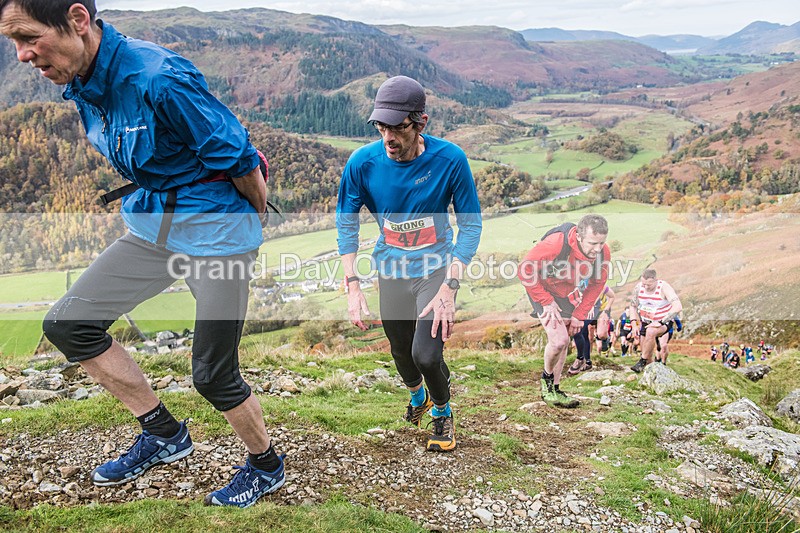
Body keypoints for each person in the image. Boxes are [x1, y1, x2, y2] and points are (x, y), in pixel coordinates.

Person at [1, 0, 285, 507]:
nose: (22, 55)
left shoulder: (159, 78)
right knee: (69, 324)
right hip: (154, 226)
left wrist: (256, 212)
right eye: (13, 44)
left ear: (77, 20)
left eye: (27, 37)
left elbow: (239, 157)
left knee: (213, 374)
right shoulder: (82, 80)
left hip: (217, 236)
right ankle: (164, 434)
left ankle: (266, 465)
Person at [336, 76, 482, 452]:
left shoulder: (450, 159)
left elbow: (470, 224)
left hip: (436, 271)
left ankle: (443, 414)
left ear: (421, 124)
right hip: (391, 270)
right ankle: (419, 397)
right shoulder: (362, 163)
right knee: (400, 351)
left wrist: (451, 286)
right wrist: (352, 284)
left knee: (426, 353)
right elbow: (346, 221)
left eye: (398, 128)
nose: (388, 138)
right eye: (381, 127)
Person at [518, 215, 611, 408]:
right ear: (578, 236)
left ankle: (557, 389)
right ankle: (546, 382)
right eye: (593, 243)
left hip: (565, 291)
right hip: (541, 288)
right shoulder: (556, 243)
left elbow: (597, 284)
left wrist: (579, 315)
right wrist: (545, 301)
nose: (598, 249)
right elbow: (525, 269)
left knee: (566, 339)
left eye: (601, 243)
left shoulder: (602, 253)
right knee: (559, 339)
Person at [629, 269, 683, 373]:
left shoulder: (664, 287)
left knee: (651, 331)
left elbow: (678, 306)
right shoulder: (639, 287)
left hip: (663, 321)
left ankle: (642, 361)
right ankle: (650, 371)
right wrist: (634, 324)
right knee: (647, 352)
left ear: (655, 280)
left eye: (648, 285)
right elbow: (632, 306)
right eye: (643, 284)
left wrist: (661, 322)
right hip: (646, 321)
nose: (645, 287)